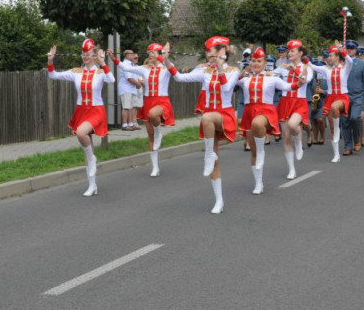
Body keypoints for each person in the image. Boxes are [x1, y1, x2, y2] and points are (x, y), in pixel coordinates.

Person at [168, 36, 239, 214]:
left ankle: (208, 155)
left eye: (210, 51)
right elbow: (179, 78)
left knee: (206, 118)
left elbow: (226, 87)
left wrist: (220, 66)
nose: (207, 54)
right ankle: (219, 200)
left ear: (221, 52)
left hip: (224, 115)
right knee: (214, 161)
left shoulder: (233, 70)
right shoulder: (204, 70)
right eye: (207, 51)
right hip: (210, 115)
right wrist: (166, 59)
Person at [47, 39, 115, 196]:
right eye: (83, 54)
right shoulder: (76, 72)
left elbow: (111, 80)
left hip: (96, 111)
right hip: (81, 111)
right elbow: (53, 75)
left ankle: (93, 160)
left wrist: (103, 62)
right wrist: (50, 60)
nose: (85, 57)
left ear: (94, 55)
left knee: (81, 133)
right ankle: (92, 185)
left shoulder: (100, 73)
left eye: (88, 54)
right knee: (87, 149)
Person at [239, 48, 305, 194]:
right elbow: (228, 85)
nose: (256, 64)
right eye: (254, 61)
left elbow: (288, 87)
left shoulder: (272, 77)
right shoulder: (245, 79)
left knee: (258, 124)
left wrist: (299, 84)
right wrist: (238, 74)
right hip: (249, 112)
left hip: (266, 112)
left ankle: (263, 151)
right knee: (253, 152)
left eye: (259, 61)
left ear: (265, 63)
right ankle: (258, 183)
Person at [110, 43, 177, 178]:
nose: (149, 54)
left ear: (159, 54)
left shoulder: (165, 68)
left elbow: (175, 72)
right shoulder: (144, 69)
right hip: (148, 101)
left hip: (162, 101)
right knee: (150, 136)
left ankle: (159, 133)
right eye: (149, 52)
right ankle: (155, 167)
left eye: (152, 52)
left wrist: (165, 56)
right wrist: (113, 58)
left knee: (154, 116)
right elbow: (125, 67)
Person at [273, 39, 314, 179]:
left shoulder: (306, 68)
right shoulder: (283, 67)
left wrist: (294, 71)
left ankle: (298, 140)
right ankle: (291, 169)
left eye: (292, 51)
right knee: (286, 138)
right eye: (289, 50)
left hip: (299, 102)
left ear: (300, 53)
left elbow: (304, 81)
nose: (289, 53)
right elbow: (270, 76)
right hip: (285, 102)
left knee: (292, 125)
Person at [312, 45, 354, 163]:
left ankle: (338, 128)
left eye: (331, 55)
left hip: (342, 97)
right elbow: (313, 67)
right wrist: (304, 60)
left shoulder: (345, 68)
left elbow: (350, 61)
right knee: (331, 128)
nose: (328, 57)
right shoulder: (327, 69)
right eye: (328, 55)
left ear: (337, 57)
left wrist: (343, 52)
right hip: (330, 97)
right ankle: (336, 154)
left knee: (335, 107)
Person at [340, 41, 364, 156]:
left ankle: (357, 139)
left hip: (358, 96)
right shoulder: (341, 63)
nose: (349, 50)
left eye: (351, 49)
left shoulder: (362, 64)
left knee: (354, 118)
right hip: (344, 96)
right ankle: (348, 146)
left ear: (356, 50)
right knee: (345, 121)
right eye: (347, 48)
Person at [117, 49, 143, 131]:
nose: (134, 56)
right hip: (126, 88)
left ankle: (131, 124)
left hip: (131, 88)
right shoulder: (125, 64)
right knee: (126, 107)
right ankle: (125, 125)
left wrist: (137, 84)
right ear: (127, 55)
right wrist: (138, 84)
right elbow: (129, 78)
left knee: (131, 107)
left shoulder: (131, 64)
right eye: (132, 54)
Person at [308, 56, 328, 146]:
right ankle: (315, 138)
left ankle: (322, 136)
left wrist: (322, 91)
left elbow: (331, 91)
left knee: (320, 119)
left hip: (323, 102)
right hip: (313, 102)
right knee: (314, 121)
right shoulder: (311, 78)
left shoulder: (326, 79)